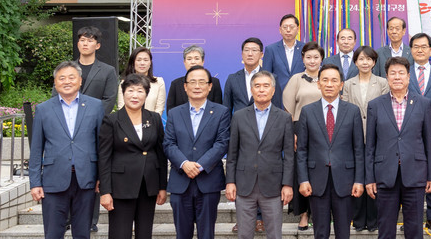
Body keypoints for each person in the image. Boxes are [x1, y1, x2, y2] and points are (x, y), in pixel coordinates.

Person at [29, 61, 104, 239]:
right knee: (53, 233)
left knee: (82, 233)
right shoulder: (43, 109)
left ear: (80, 80)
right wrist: (35, 182)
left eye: (71, 77)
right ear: (55, 83)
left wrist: (102, 177)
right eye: (61, 78)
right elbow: (36, 148)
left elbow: (101, 145)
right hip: (53, 179)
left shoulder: (95, 106)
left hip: (86, 178)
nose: (67, 81)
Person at [365, 56, 431, 239]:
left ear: (408, 76)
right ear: (387, 77)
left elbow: (429, 142)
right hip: (385, 174)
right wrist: (369, 178)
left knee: (414, 230)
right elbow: (370, 146)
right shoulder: (375, 105)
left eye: (401, 73)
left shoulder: (423, 103)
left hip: (415, 173)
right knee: (385, 229)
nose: (397, 77)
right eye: (393, 73)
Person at [297, 64, 365, 239]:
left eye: (334, 80)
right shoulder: (307, 111)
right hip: (316, 181)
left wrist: (359, 180)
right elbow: (302, 150)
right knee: (320, 232)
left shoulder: (352, 111)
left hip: (345, 181)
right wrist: (303, 179)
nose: (329, 84)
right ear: (318, 84)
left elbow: (359, 149)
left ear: (341, 85)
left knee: (343, 232)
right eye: (325, 80)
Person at [163, 66, 231, 239]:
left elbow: (222, 143)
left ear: (210, 86)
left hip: (208, 181)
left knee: (206, 234)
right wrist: (184, 164)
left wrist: (200, 165)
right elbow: (169, 143)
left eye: (202, 82)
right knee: (182, 234)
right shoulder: (174, 113)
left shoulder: (221, 112)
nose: (197, 86)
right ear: (185, 87)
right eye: (192, 82)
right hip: (180, 181)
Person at [226, 70, 294, 239]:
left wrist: (287, 184)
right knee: (244, 234)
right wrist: (230, 182)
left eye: (266, 86)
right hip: (244, 185)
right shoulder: (239, 117)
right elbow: (232, 153)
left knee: (274, 234)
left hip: (273, 185)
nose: (261, 89)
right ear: (251, 90)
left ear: (273, 90)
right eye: (257, 86)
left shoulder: (284, 118)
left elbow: (289, 155)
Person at [99, 74, 168, 239]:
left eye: (140, 91)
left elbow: (161, 154)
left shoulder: (154, 119)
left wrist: (162, 186)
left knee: (145, 233)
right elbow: (104, 157)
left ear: (146, 94)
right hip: (121, 187)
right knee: (120, 234)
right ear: (123, 93)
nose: (135, 95)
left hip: (148, 185)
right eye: (130, 91)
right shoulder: (112, 120)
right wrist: (105, 191)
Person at [71, 25, 119, 232]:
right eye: (82, 39)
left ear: (97, 45)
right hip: (68, 130)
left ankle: (90, 220)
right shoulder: (68, 69)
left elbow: (109, 99)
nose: (85, 43)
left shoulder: (107, 71)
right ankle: (68, 217)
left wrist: (89, 118)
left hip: (95, 130)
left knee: (93, 173)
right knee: (69, 172)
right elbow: (57, 94)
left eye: (90, 40)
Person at [341, 46, 390, 232]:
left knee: (374, 176)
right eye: (361, 59)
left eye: (369, 59)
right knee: (357, 176)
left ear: (374, 62)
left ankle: (373, 220)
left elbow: (385, 108)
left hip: (377, 135)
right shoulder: (348, 84)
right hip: (354, 135)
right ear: (355, 62)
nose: (365, 62)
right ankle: (359, 220)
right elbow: (345, 109)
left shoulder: (382, 83)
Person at [282, 41, 324, 230]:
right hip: (300, 128)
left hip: (325, 129)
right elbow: (287, 109)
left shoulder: (328, 76)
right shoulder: (296, 79)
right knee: (302, 170)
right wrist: (292, 133)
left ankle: (320, 211)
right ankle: (304, 214)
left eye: (316, 57)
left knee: (322, 170)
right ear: (303, 59)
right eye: (308, 57)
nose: (312, 60)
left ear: (321, 59)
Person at [407, 32, 431, 231]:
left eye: (424, 46)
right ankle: (410, 218)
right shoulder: (404, 73)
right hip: (409, 131)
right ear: (411, 49)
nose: (420, 50)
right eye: (416, 46)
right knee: (409, 175)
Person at [223, 37, 282, 114]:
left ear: (261, 55)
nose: (250, 54)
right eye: (246, 50)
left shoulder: (271, 78)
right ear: (242, 54)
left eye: (254, 50)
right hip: (240, 121)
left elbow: (277, 108)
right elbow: (226, 109)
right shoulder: (232, 78)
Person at [166, 45, 223, 112]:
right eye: (189, 59)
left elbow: (218, 109)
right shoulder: (176, 84)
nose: (193, 62)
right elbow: (170, 111)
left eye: (196, 58)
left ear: (203, 61)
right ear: (184, 62)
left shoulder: (214, 82)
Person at [117, 47, 166, 114]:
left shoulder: (159, 82)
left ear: (150, 63)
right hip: (128, 120)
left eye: (145, 60)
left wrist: (152, 120)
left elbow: (159, 109)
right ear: (133, 63)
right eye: (139, 60)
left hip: (152, 120)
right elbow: (121, 107)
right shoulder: (124, 83)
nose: (142, 63)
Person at [263, 14, 304, 91]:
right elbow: (266, 75)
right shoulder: (271, 49)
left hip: (301, 93)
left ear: (297, 29)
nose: (288, 30)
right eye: (285, 27)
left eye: (291, 27)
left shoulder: (305, 48)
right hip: (278, 94)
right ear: (280, 30)